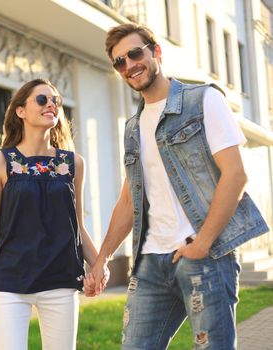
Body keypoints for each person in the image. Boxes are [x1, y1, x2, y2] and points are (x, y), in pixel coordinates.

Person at [84, 23, 269, 349]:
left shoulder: (204, 100)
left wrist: (203, 243)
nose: (129, 65)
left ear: (156, 52)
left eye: (134, 54)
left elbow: (235, 175)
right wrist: (101, 259)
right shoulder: (132, 127)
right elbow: (129, 200)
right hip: (150, 263)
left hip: (204, 256)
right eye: (119, 62)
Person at [0, 78, 100, 350]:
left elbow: (77, 225)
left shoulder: (73, 164)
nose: (51, 105)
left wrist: (99, 264)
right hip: (10, 282)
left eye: (55, 100)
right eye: (42, 99)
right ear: (20, 111)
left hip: (60, 279)